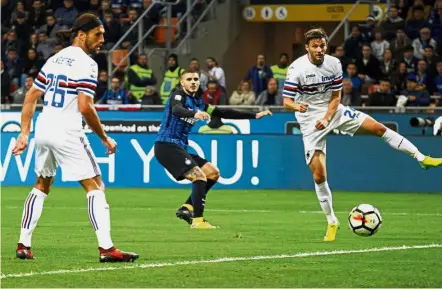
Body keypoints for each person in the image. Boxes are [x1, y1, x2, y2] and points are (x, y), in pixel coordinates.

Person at [282, 28, 442, 242]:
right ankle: (331, 221)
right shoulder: (297, 68)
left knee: (379, 128)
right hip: (310, 120)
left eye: (322, 45)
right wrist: (297, 106)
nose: (320, 49)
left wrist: (328, 118)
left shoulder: (334, 64)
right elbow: (286, 102)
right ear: (307, 47)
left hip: (333, 112)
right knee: (319, 176)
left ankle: (421, 158)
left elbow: (336, 97)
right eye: (315, 46)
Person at [11, 13, 139, 263]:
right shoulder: (87, 64)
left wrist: (24, 132)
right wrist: (104, 137)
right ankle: (107, 249)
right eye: (97, 34)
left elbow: (30, 97)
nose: (102, 39)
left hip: (44, 127)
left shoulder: (54, 59)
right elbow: (85, 107)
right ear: (82, 35)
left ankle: (23, 244)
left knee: (42, 184)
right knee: (95, 185)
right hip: (67, 130)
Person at [154, 68, 272, 229]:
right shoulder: (178, 95)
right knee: (199, 177)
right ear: (182, 82)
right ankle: (198, 221)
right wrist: (195, 114)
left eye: (196, 79)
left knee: (212, 173)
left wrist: (253, 115)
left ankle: (187, 208)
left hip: (179, 147)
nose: (193, 82)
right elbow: (176, 109)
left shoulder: (199, 102)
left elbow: (222, 112)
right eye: (189, 79)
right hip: (166, 146)